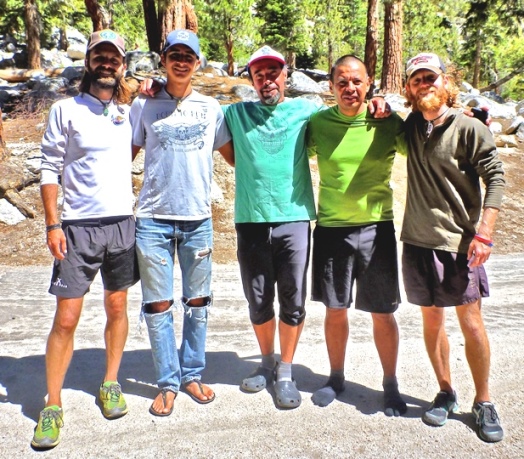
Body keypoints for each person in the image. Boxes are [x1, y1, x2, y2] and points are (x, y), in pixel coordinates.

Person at [222, 46, 390, 409]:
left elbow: (348, 110)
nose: (267, 80)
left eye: (274, 73)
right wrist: (153, 89)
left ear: (286, 76)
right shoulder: (235, 113)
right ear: (251, 80)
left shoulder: (306, 111)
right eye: (259, 75)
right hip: (251, 220)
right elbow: (206, 125)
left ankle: (285, 371)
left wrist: (377, 101)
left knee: (293, 301)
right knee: (258, 300)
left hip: (294, 219)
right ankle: (266, 363)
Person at [33, 29, 139, 449]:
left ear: (122, 65)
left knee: (117, 306)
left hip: (122, 224)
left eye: (114, 58)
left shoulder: (129, 112)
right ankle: (52, 404)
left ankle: (110, 382)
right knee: (66, 318)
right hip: (77, 227)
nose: (107, 63)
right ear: (89, 61)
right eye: (100, 56)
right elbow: (49, 167)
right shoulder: (65, 110)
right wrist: (52, 224)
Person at [402, 52, 505, 442]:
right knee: (431, 321)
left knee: (471, 323)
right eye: (416, 79)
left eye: (431, 77)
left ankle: (484, 401)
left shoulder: (469, 128)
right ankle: (445, 390)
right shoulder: (411, 125)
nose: (424, 84)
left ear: (446, 82)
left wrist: (485, 233)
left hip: (459, 244)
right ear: (409, 89)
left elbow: (496, 178)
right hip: (416, 241)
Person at [130, 29, 234, 416]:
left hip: (197, 219)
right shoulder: (144, 104)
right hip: (153, 220)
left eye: (188, 56)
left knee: (198, 302)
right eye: (174, 55)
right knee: (158, 305)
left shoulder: (211, 108)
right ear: (163, 60)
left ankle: (191, 374)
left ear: (197, 63)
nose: (181, 61)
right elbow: (122, 153)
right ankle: (167, 382)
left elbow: (235, 156)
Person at [307, 55, 407, 416]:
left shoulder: (387, 122)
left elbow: (423, 146)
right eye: (342, 82)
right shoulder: (319, 124)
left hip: (377, 229)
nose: (350, 88)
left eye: (357, 81)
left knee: (382, 312)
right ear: (331, 86)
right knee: (335, 309)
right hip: (332, 229)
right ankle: (336, 378)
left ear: (368, 84)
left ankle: (390, 384)